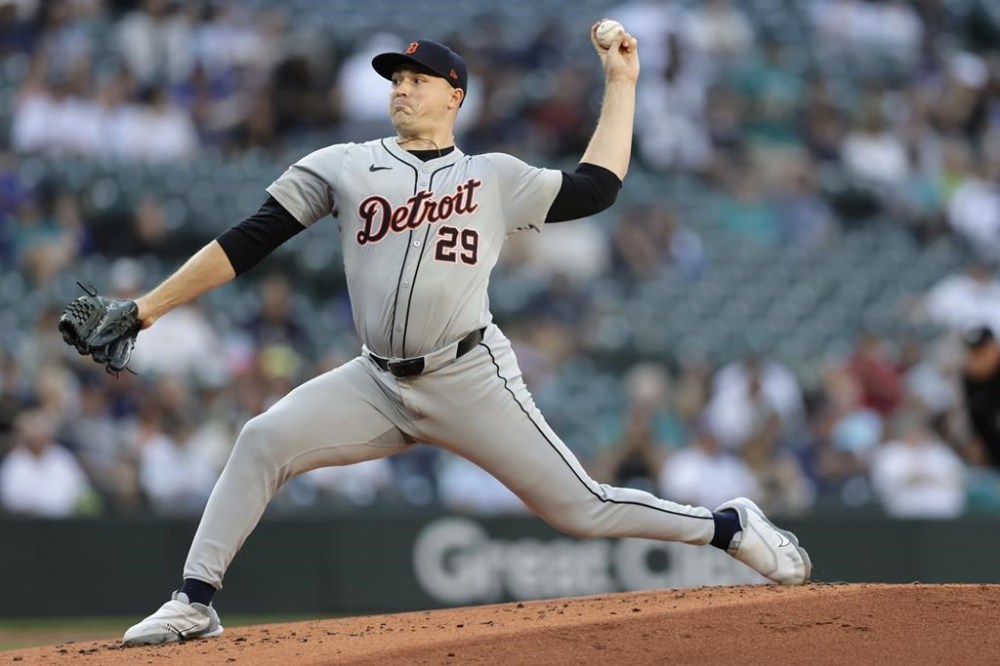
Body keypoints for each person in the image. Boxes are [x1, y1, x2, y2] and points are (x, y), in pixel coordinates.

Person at [119, 25, 810, 646]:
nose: (401, 89)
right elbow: (247, 241)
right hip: (377, 379)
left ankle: (728, 526)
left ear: (455, 96)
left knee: (581, 509)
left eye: (417, 80)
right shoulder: (345, 164)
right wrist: (149, 308)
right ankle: (194, 601)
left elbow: (597, 188)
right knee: (262, 438)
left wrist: (621, 82)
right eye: (395, 79)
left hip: (470, 376)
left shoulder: (492, 177)